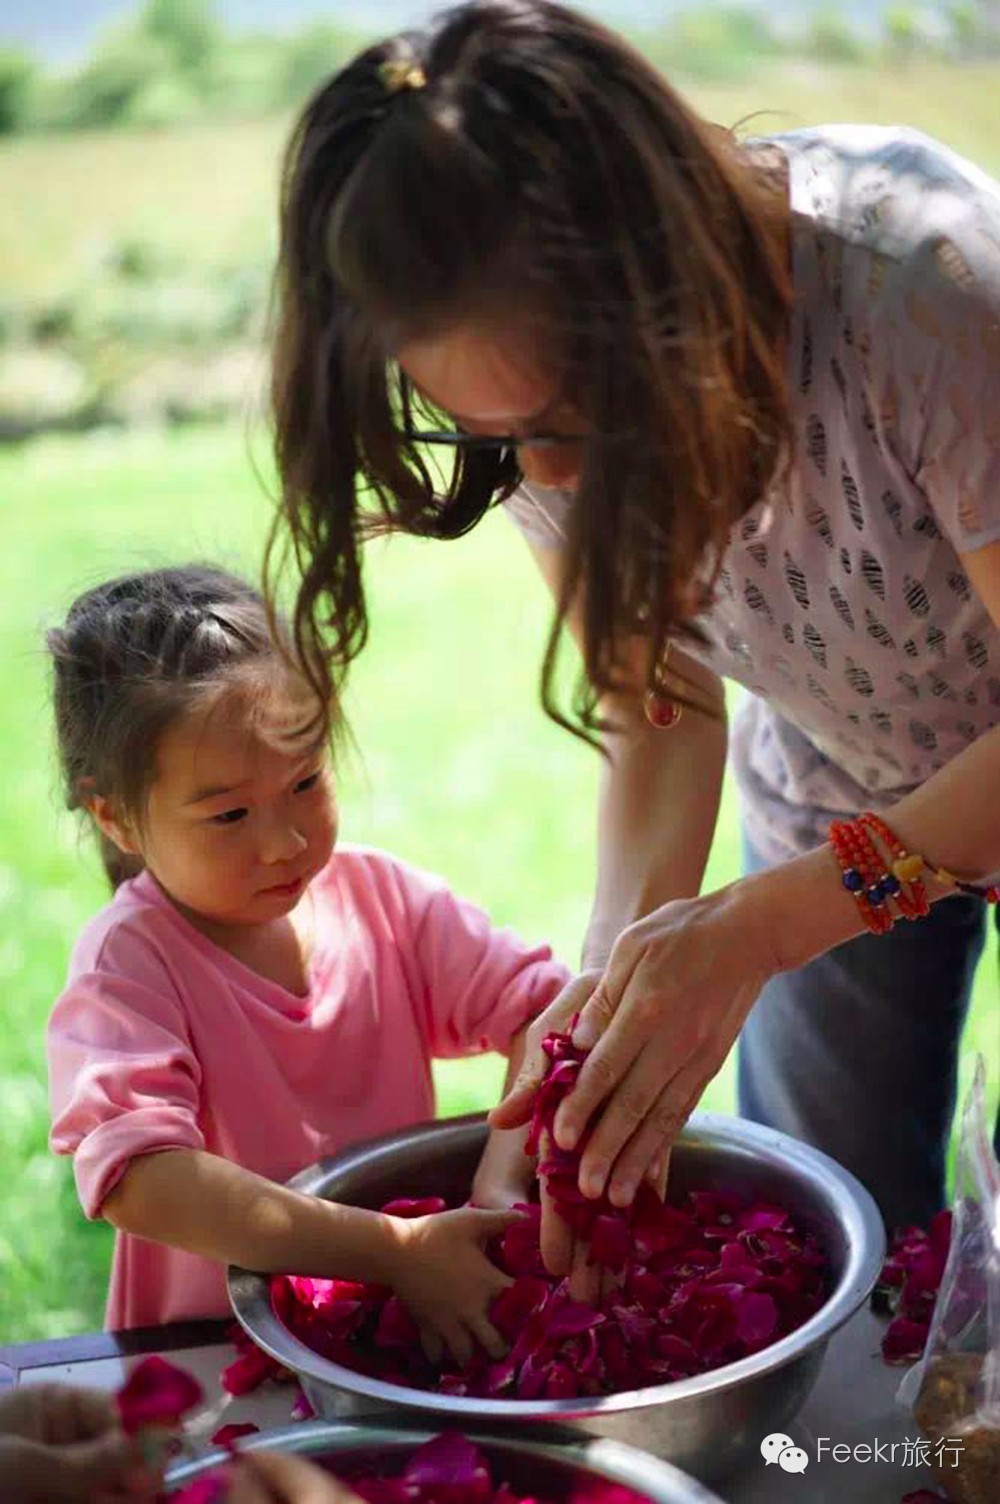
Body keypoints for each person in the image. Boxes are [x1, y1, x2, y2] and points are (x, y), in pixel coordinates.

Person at [265, 0, 1000, 1286]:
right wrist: (598, 1023)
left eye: (570, 413)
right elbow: (657, 704)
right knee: (837, 1260)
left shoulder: (918, 287)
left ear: (677, 291)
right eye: (490, 434)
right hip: (836, 793)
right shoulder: (527, 389)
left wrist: (769, 926)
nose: (543, 473)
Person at [46, 564, 569, 1357]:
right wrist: (391, 1254)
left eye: (306, 782)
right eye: (229, 814)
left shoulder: (383, 902)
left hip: (403, 1325)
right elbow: (140, 1180)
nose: (285, 842)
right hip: (217, 1358)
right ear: (115, 817)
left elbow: (546, 1014)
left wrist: (501, 1182)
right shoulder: (130, 965)